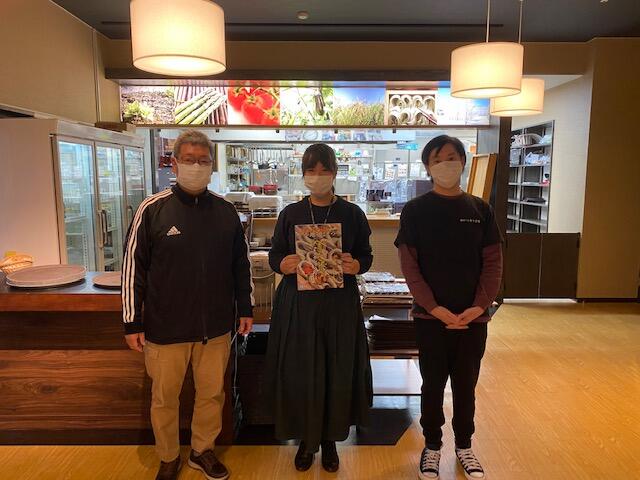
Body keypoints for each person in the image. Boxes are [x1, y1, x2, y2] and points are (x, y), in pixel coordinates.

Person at [122, 130, 254, 480]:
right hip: (165, 328)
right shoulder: (152, 209)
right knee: (165, 399)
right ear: (175, 164)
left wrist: (245, 307)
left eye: (203, 160)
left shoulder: (226, 211)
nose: (196, 166)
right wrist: (132, 322)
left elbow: (240, 264)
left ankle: (202, 451)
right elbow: (133, 267)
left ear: (212, 166)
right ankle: (168, 457)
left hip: (216, 326)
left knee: (211, 395)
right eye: (189, 160)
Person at [395, 135, 503, 480]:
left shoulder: (480, 210)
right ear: (428, 166)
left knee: (466, 385)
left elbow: (493, 263)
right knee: (432, 384)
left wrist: (479, 306)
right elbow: (410, 267)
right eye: (438, 159)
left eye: (452, 157)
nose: (446, 164)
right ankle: (432, 446)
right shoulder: (415, 211)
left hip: (473, 319)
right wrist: (434, 308)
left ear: (463, 162)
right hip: (430, 318)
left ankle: (465, 445)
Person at [265, 143, 373, 473]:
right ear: (303, 175)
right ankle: (305, 441)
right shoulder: (290, 214)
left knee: (336, 371)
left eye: (324, 170)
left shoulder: (352, 214)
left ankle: (329, 441)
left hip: (339, 305)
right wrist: (282, 263)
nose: (318, 177)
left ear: (335, 173)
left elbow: (366, 255)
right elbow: (274, 255)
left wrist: (357, 265)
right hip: (299, 305)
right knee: (302, 371)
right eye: (311, 171)